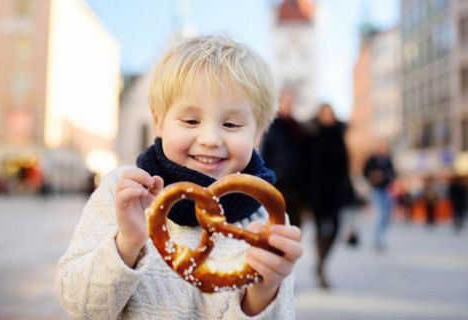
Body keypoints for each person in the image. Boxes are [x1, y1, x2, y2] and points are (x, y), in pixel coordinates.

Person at [56, 36, 303, 319]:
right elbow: (80, 306)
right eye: (191, 121)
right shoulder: (123, 193)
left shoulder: (266, 223)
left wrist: (263, 292)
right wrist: (127, 243)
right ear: (158, 121)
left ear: (258, 133)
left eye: (232, 124)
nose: (210, 139)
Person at [307, 103, 352, 289]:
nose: (328, 117)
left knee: (335, 229)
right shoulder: (312, 136)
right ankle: (321, 268)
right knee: (319, 229)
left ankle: (321, 262)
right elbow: (307, 165)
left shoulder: (339, 135)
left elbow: (344, 165)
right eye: (324, 114)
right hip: (317, 191)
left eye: (330, 114)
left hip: (335, 191)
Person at [259, 90, 310, 228]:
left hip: (296, 185)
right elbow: (265, 155)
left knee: (295, 225)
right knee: (278, 223)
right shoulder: (272, 127)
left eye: (290, 102)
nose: (288, 105)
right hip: (278, 183)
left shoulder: (298, 129)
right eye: (285, 102)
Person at [363, 140, 396, 251]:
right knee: (380, 215)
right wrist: (373, 177)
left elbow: (393, 174)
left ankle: (381, 238)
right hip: (376, 190)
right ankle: (377, 240)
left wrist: (386, 177)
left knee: (386, 216)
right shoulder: (372, 159)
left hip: (386, 189)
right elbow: (365, 172)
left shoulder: (387, 160)